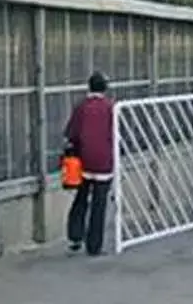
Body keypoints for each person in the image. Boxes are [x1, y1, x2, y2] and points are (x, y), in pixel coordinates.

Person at [63, 71, 114, 256]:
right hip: (104, 162)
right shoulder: (110, 107)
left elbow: (71, 133)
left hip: (84, 161)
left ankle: (75, 235)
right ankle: (94, 246)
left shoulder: (81, 107)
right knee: (99, 205)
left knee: (81, 198)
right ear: (105, 88)